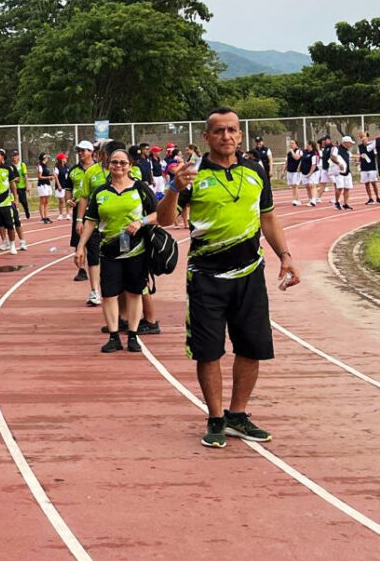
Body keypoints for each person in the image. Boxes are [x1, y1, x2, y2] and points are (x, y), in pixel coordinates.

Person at [156, 107, 300, 448]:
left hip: (250, 274)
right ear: (206, 137)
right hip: (206, 278)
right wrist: (173, 189)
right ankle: (215, 419)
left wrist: (286, 256)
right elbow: (164, 220)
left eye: (232, 130)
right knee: (209, 352)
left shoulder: (255, 171)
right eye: (218, 131)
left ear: (240, 134)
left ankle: (237, 415)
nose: (226, 136)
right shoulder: (192, 175)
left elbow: (268, 218)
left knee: (252, 347)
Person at [75, 150, 158, 353]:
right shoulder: (101, 192)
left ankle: (133, 335)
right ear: (108, 165)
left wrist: (141, 221)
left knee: (134, 292)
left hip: (136, 250)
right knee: (109, 294)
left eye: (123, 163)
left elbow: (158, 213)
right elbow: (91, 221)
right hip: (110, 251)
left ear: (130, 166)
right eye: (114, 162)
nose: (118, 166)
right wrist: (80, 246)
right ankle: (113, 336)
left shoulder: (140, 188)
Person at [66, 141, 96, 283]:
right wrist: (68, 201)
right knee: (79, 240)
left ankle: (98, 266)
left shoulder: (99, 169)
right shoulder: (73, 170)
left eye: (83, 151)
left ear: (91, 152)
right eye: (79, 151)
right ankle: (82, 269)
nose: (80, 153)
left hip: (97, 209)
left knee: (97, 240)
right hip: (79, 210)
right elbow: (68, 190)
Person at [357, 130, 379, 204]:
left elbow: (375, 153)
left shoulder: (373, 145)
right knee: (366, 183)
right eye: (362, 137)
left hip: (372, 166)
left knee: (373, 183)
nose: (363, 138)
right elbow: (358, 156)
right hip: (364, 167)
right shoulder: (359, 147)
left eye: (365, 136)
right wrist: (358, 161)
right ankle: (370, 198)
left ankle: (377, 197)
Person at [10, 149, 30, 219]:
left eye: (15, 156)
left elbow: (25, 175)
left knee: (24, 201)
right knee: (16, 200)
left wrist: (27, 185)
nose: (14, 157)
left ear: (18, 156)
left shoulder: (22, 165)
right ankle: (17, 214)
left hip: (22, 186)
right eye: (13, 156)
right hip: (14, 186)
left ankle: (27, 211)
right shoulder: (11, 166)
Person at [35, 152, 54, 223]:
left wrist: (50, 176)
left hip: (47, 184)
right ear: (43, 157)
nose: (48, 158)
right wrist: (48, 177)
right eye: (46, 157)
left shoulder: (46, 166)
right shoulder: (40, 166)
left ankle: (46, 217)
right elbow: (39, 177)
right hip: (42, 185)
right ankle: (42, 217)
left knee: (47, 201)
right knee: (42, 201)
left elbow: (46, 174)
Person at [284, 140, 303, 206]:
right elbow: (287, 162)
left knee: (295, 185)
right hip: (290, 170)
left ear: (296, 144)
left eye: (292, 143)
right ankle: (295, 199)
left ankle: (297, 199)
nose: (291, 145)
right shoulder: (289, 153)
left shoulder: (299, 151)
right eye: (290, 143)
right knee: (293, 186)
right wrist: (283, 170)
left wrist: (292, 151)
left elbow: (296, 158)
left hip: (296, 171)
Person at [301, 140, 319, 206]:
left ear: (310, 145)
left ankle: (314, 199)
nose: (306, 145)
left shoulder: (314, 153)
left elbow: (314, 165)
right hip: (304, 172)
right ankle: (310, 199)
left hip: (313, 172)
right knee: (307, 186)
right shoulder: (304, 152)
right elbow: (301, 160)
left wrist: (310, 173)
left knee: (312, 185)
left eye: (307, 144)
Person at [53, 153, 69, 220]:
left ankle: (68, 214)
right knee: (61, 200)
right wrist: (59, 185)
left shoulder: (66, 167)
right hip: (60, 185)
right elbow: (56, 177)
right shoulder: (57, 167)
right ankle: (60, 214)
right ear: (61, 159)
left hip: (66, 185)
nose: (66, 159)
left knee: (67, 200)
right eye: (64, 158)